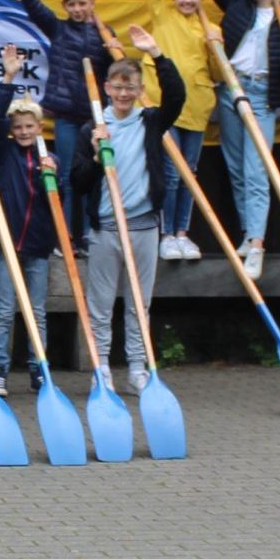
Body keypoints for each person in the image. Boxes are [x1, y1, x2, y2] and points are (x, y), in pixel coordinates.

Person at [74, 26, 182, 396]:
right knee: (100, 305)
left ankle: (138, 368)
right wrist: (93, 152)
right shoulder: (94, 126)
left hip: (143, 227)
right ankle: (101, 367)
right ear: (106, 88)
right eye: (117, 87)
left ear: (139, 90)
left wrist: (157, 54)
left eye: (129, 87)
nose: (123, 93)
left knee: (139, 303)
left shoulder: (150, 122)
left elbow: (177, 98)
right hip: (105, 228)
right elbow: (78, 182)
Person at [205, 0, 280, 281]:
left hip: (262, 95)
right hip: (232, 90)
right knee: (236, 168)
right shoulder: (236, 7)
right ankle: (248, 236)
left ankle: (258, 244)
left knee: (257, 170)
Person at [10, 0, 116, 242]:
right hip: (68, 118)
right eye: (72, 4)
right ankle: (66, 236)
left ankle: (88, 234)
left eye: (83, 3)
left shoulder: (105, 33)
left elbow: (112, 72)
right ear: (65, 6)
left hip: (95, 118)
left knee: (92, 176)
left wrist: (113, 50)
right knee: (68, 177)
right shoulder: (58, 29)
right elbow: (34, 7)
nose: (78, 9)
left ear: (92, 3)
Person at [0, 47, 58, 396]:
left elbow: (58, 202)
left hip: (39, 245)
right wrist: (8, 78)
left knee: (37, 311)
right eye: (19, 127)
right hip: (7, 242)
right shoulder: (7, 150)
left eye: (30, 127)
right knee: (3, 310)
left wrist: (52, 179)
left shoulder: (48, 158)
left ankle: (38, 368)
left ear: (39, 128)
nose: (24, 132)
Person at [142, 0, 221, 262]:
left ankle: (183, 234)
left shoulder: (210, 27)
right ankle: (165, 233)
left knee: (190, 173)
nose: (188, 1)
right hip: (166, 105)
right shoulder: (163, 17)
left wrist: (216, 48)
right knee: (171, 173)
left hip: (199, 108)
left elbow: (218, 73)